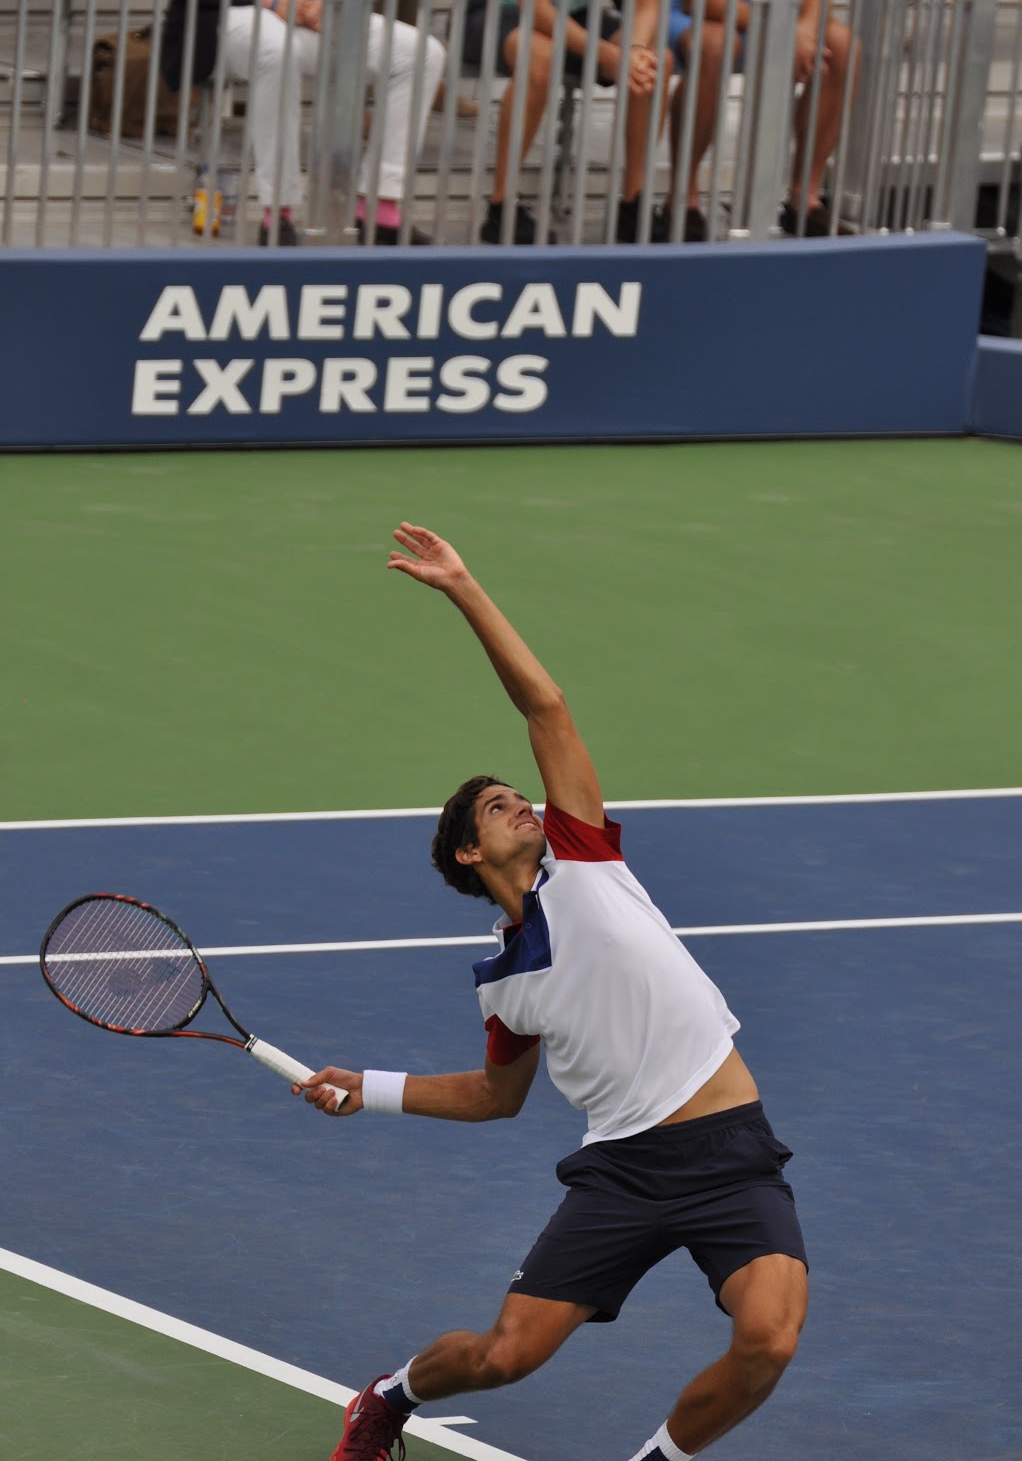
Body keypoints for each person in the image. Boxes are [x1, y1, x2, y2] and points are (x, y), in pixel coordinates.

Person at [297, 521, 809, 1461]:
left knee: (769, 1340)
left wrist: (463, 588)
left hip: (730, 1148)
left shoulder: (585, 858)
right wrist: (360, 1087)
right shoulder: (505, 985)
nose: (522, 804)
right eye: (497, 806)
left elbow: (547, 707)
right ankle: (390, 1395)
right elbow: (498, 1098)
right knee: (505, 1356)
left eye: (519, 796)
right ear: (467, 852)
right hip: (622, 1171)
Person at [149, 0, 446, 245]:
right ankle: (279, 213)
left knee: (420, 52)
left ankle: (380, 206)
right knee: (276, 47)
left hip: (308, 11)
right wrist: (274, 0)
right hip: (228, 13)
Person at [461, 0, 674, 244]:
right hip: (492, 5)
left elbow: (646, 4)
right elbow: (536, 7)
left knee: (657, 60)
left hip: (572, 9)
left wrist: (635, 52)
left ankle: (634, 204)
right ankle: (500, 208)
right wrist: (610, 56)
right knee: (539, 55)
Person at [659, 0, 857, 237]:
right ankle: (681, 199)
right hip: (689, 7)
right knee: (716, 45)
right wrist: (780, 28)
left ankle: (804, 198)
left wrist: (802, 30)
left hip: (771, 9)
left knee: (842, 46)